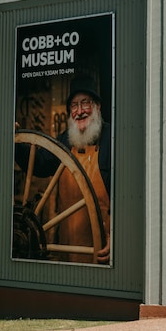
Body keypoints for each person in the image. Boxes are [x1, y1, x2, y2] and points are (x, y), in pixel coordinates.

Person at [53, 75, 112, 264]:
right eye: (74, 106)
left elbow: (127, 195)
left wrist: (117, 234)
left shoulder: (112, 139)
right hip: (67, 246)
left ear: (97, 106)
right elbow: (40, 163)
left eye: (85, 103)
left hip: (102, 246)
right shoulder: (65, 140)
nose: (79, 111)